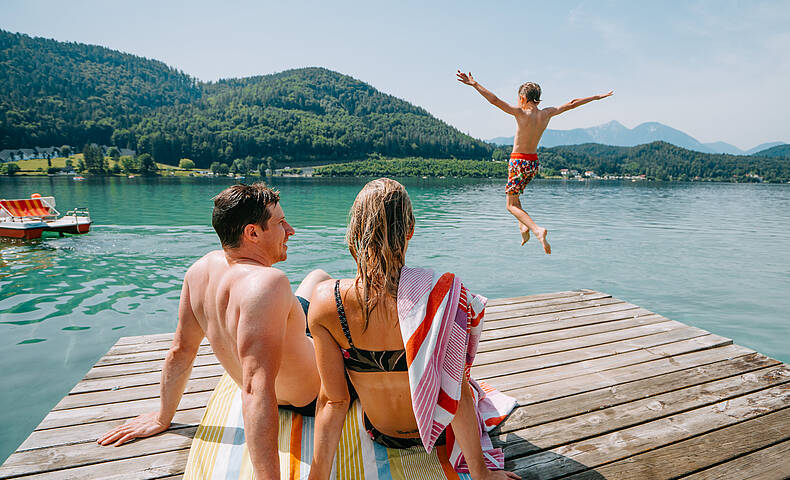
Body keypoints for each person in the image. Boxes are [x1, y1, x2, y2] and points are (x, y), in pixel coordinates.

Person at [97, 183, 330, 480]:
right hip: (308, 397)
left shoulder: (199, 271)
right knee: (336, 303)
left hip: (284, 357)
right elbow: (257, 388)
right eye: (280, 223)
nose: (291, 230)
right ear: (252, 233)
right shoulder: (268, 283)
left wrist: (162, 417)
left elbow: (181, 351)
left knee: (318, 277)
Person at [307, 178, 520, 480]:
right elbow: (454, 391)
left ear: (355, 231)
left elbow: (334, 400)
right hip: (435, 434)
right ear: (410, 230)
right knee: (466, 384)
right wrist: (482, 474)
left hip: (380, 433)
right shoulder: (441, 294)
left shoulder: (326, 302)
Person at [457, 70, 613, 254]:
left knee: (510, 205)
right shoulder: (546, 114)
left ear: (523, 98)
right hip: (533, 164)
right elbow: (572, 104)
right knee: (515, 198)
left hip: (518, 162)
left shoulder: (520, 113)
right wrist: (596, 97)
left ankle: (537, 230)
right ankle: (523, 227)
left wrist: (475, 84)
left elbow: (495, 100)